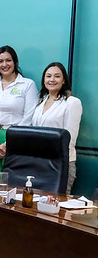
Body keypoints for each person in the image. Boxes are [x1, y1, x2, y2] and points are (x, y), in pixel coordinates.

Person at [0, 45, 37, 183]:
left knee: (12, 184)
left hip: (15, 137)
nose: (4, 64)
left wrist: (9, 142)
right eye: (0, 61)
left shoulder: (27, 85)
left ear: (15, 62)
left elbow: (29, 117)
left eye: (8, 60)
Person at [31, 62, 82, 194]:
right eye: (48, 76)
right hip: (39, 162)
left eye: (57, 76)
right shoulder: (40, 101)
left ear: (64, 80)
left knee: (55, 208)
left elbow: (69, 139)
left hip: (60, 163)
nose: (52, 80)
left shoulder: (72, 102)